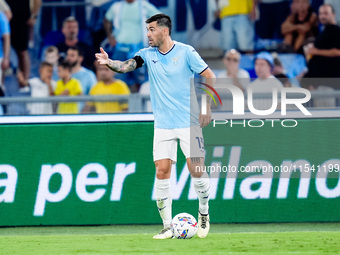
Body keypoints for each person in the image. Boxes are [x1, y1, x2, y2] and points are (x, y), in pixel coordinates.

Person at [96, 13, 215, 239]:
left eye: (151, 29)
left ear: (164, 30)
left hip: (189, 123)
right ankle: (168, 227)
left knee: (196, 169)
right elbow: (125, 66)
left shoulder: (186, 52)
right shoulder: (146, 55)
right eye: (147, 29)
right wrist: (110, 62)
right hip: (162, 125)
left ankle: (204, 213)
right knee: (162, 171)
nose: (148, 34)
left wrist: (206, 108)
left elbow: (210, 76)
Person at [104, 0, 160, 92]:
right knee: (119, 78)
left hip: (138, 48)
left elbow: (160, 18)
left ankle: (142, 103)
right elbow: (106, 19)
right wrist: (110, 37)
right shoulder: (117, 6)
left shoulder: (143, 5)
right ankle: (123, 103)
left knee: (141, 79)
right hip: (120, 47)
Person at [5, 0, 41, 87]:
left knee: (22, 52)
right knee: (2, 52)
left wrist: (34, 16)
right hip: (4, 17)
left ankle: (24, 83)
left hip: (22, 18)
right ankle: (1, 85)